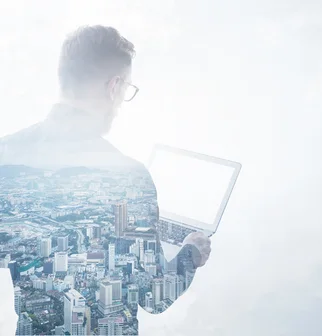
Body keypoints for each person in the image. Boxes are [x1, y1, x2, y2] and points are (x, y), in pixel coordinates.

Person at [0, 25, 211, 336]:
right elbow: (156, 295)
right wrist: (191, 252)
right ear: (114, 86)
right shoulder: (127, 176)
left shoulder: (5, 155)